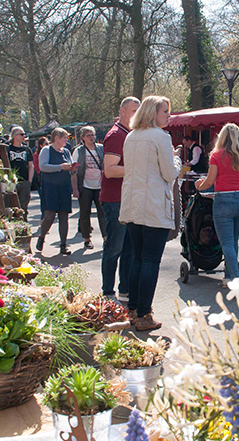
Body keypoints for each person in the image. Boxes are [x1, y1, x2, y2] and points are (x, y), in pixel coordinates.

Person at [119, 96, 180, 332]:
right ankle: (144, 314)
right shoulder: (160, 137)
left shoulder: (131, 136)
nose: (168, 116)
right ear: (153, 113)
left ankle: (134, 309)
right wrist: (176, 159)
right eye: (165, 111)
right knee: (150, 260)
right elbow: (169, 173)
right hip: (153, 206)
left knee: (138, 258)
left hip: (133, 205)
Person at [195, 123, 239, 286]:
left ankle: (235, 278)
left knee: (227, 243)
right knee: (234, 241)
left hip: (223, 200)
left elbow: (210, 181)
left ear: (222, 137)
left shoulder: (216, 155)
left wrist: (199, 186)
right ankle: (228, 277)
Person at [100, 97, 140, 307]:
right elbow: (109, 170)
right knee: (114, 247)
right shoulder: (116, 135)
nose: (136, 115)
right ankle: (107, 291)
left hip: (128, 199)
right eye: (133, 111)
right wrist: (139, 168)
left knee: (130, 249)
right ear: (123, 111)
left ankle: (125, 290)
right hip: (115, 200)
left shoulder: (130, 134)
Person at [36, 127, 76, 255]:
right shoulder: (47, 150)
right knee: (50, 215)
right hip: (50, 187)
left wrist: (72, 168)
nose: (66, 140)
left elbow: (69, 165)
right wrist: (60, 167)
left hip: (64, 187)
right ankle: (42, 237)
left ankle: (63, 245)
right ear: (56, 138)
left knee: (64, 216)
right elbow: (43, 166)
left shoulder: (66, 151)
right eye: (64, 137)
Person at [74, 126, 107, 249]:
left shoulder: (101, 148)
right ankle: (87, 238)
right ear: (83, 138)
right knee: (85, 213)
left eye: (93, 135)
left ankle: (106, 238)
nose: (91, 137)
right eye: (88, 135)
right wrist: (75, 189)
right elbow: (74, 171)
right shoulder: (78, 151)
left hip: (100, 186)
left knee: (103, 213)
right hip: (85, 186)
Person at [7, 126, 34, 218]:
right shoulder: (8, 149)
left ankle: (24, 223)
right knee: (11, 206)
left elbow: (31, 166)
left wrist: (29, 181)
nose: (24, 136)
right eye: (21, 134)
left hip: (24, 182)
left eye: (24, 134)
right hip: (11, 183)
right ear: (14, 136)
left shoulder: (27, 150)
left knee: (23, 207)